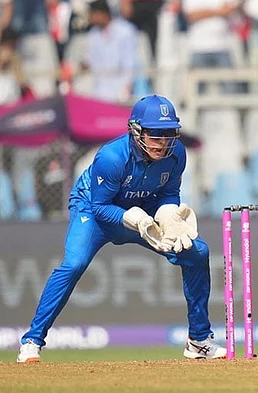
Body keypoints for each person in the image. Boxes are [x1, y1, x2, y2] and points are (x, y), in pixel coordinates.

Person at [16, 95, 225, 363]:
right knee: (74, 264)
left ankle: (198, 340)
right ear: (136, 130)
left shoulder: (177, 154)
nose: (162, 143)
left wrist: (168, 214)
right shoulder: (111, 157)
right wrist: (135, 219)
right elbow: (100, 207)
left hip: (143, 209)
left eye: (168, 134)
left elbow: (169, 193)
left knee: (197, 253)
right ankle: (32, 340)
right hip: (94, 210)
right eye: (155, 134)